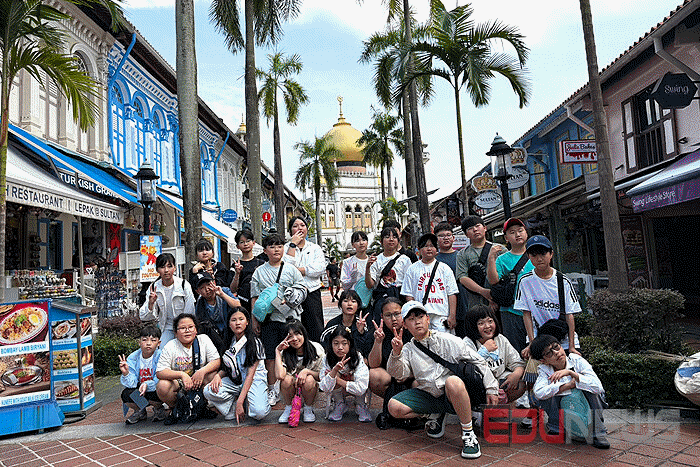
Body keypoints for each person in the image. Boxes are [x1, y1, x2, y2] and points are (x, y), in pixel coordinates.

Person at [386, 301, 499, 459]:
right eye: (411, 319)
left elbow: (478, 360)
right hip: (430, 394)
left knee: (453, 382)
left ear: (427, 319)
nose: (417, 322)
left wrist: (492, 388)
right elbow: (399, 374)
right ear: (404, 325)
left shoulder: (448, 339)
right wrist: (396, 353)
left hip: (454, 393)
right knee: (394, 406)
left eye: (420, 317)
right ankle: (436, 413)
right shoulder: (408, 349)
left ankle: (468, 434)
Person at [250, 233, 308, 408]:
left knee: (294, 353)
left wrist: (291, 298)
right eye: (272, 246)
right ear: (265, 250)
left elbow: (302, 289)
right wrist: (254, 320)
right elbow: (254, 297)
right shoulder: (259, 272)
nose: (276, 250)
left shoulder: (291, 269)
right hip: (269, 320)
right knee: (270, 356)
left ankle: (295, 387)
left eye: (280, 246)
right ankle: (272, 389)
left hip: (290, 319)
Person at [530, 334, 610, 449]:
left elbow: (598, 387)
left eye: (556, 347)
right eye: (549, 353)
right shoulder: (544, 370)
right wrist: (568, 385)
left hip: (585, 401)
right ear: (544, 361)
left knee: (591, 389)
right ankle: (556, 428)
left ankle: (597, 433)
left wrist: (572, 374)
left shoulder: (576, 360)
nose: (556, 353)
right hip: (565, 405)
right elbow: (538, 392)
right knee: (546, 394)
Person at [514, 235, 582, 358]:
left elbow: (569, 314)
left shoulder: (563, 281)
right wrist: (532, 343)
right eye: (534, 255)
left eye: (543, 254)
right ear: (528, 257)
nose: (539, 259)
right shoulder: (525, 281)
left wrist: (571, 346)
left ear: (551, 254)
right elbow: (526, 314)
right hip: (540, 340)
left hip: (564, 340)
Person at [203, 307, 270, 422]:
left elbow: (250, 375)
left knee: (259, 413)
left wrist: (240, 402)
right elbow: (227, 368)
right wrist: (218, 376)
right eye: (233, 320)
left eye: (241, 319)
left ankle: (249, 400)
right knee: (208, 390)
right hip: (235, 380)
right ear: (229, 324)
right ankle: (232, 406)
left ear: (247, 322)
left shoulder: (254, 342)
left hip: (254, 380)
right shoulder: (229, 341)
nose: (238, 323)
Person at [155, 314, 221, 424]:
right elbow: (160, 372)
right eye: (182, 328)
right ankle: (178, 408)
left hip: (199, 379)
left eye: (190, 327)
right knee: (162, 386)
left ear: (196, 330)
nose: (187, 331)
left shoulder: (204, 339)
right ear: (176, 333)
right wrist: (182, 375)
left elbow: (216, 361)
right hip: (180, 382)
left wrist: (202, 371)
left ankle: (202, 406)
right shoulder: (170, 346)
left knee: (212, 375)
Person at [486, 218, 534, 355]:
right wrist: (491, 258)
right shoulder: (502, 259)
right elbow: (493, 281)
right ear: (506, 238)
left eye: (520, 230)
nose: (517, 234)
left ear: (526, 233)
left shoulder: (535, 255)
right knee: (515, 351)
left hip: (535, 309)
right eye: (512, 232)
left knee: (537, 349)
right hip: (511, 311)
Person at [463, 305, 526, 405]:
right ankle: (478, 408)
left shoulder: (500, 339)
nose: (487, 326)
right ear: (472, 326)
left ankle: (500, 404)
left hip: (499, 381)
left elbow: (517, 362)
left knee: (521, 382)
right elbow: (468, 370)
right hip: (480, 385)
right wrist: (484, 351)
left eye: (490, 321)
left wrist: (516, 374)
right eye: (481, 323)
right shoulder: (467, 343)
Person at [401, 233, 459, 333]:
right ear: (419, 250)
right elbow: (408, 294)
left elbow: (452, 293)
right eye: (425, 246)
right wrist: (415, 314)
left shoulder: (444, 268)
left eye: (432, 246)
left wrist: (452, 315)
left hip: (441, 316)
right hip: (421, 316)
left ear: (436, 249)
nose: (429, 249)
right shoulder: (412, 269)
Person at [284, 216, 326, 343]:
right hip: (292, 295)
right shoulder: (286, 248)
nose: (299, 228)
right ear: (290, 231)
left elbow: (319, 268)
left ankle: (317, 352)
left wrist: (299, 270)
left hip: (312, 292)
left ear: (307, 229)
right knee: (294, 329)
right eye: (295, 226)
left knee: (316, 328)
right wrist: (293, 245)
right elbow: (286, 270)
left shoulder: (315, 248)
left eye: (302, 225)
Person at [274, 320, 325, 424]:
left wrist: (307, 371)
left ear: (304, 334)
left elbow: (322, 375)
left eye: (297, 334)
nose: (295, 338)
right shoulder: (285, 352)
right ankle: (289, 407)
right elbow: (280, 376)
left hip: (309, 386)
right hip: (291, 386)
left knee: (309, 379)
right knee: (286, 380)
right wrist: (277, 351)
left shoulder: (316, 349)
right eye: (290, 336)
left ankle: (308, 408)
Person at [140, 253, 196, 346]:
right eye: (162, 267)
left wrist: (181, 330)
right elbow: (143, 317)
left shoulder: (184, 285)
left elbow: (190, 311)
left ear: (174, 268)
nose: (166, 270)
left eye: (169, 266)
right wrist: (151, 303)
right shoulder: (154, 288)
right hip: (167, 328)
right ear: (157, 269)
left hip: (184, 327)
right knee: (163, 350)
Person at [319, 326, 371, 422]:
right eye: (336, 343)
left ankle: (360, 404)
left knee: (357, 376)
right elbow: (324, 387)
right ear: (331, 344)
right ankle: (340, 403)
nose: (340, 348)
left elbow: (362, 387)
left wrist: (339, 380)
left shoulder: (357, 358)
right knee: (333, 375)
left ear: (350, 344)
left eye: (344, 343)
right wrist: (334, 371)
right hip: (338, 389)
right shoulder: (327, 359)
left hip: (355, 388)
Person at [118, 324, 167, 424]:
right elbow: (131, 384)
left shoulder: (161, 356)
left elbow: (160, 377)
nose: (148, 343)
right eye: (144, 340)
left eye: (153, 340)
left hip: (154, 388)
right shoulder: (133, 357)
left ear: (159, 343)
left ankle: (158, 409)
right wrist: (126, 373)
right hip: (140, 390)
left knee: (159, 391)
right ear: (139, 342)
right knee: (126, 394)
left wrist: (147, 385)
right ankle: (140, 410)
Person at [366, 226, 413, 322]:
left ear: (398, 241)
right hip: (382, 298)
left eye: (394, 237)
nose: (391, 239)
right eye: (387, 237)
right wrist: (367, 269)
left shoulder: (405, 260)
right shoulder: (376, 260)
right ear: (381, 241)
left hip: (400, 297)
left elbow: (409, 283)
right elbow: (370, 285)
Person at [456, 216, 498, 320]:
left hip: (500, 301)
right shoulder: (462, 254)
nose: (475, 229)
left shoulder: (499, 249)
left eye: (477, 226)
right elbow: (462, 277)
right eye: (470, 228)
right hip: (475, 303)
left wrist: (495, 295)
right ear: (466, 235)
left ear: (485, 228)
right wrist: (483, 292)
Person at [193, 272, 241, 355]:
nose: (207, 289)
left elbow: (238, 306)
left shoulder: (224, 291)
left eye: (209, 284)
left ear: (214, 282)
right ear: (198, 291)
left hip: (231, 332)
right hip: (215, 339)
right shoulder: (200, 304)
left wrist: (222, 295)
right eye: (202, 288)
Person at [320, 289, 375, 358]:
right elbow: (323, 344)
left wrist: (360, 333)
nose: (349, 304)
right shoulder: (332, 325)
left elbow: (367, 348)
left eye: (353, 301)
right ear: (340, 305)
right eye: (345, 301)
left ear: (358, 305)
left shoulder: (362, 324)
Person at [228, 229, 266, 313]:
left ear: (253, 242)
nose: (245, 244)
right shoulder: (235, 266)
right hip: (242, 304)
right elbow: (232, 289)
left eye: (248, 241)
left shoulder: (262, 263)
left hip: (260, 302)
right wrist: (237, 273)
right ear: (237, 246)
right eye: (242, 242)